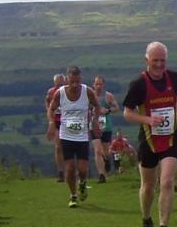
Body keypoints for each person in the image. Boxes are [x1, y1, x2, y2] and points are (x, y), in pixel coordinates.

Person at [122, 42, 177, 227]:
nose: (159, 65)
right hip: (148, 140)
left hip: (171, 137)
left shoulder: (174, 78)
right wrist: (148, 120)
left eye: (162, 60)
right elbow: (127, 112)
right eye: (155, 61)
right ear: (147, 61)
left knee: (167, 181)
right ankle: (146, 221)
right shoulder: (138, 84)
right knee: (148, 186)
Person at [46, 65, 101, 207]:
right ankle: (73, 195)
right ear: (67, 80)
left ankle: (82, 183)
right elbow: (51, 109)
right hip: (66, 135)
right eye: (72, 82)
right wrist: (52, 123)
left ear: (80, 79)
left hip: (82, 136)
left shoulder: (87, 91)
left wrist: (95, 121)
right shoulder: (60, 93)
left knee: (83, 169)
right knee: (70, 168)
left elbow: (97, 106)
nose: (75, 85)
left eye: (78, 81)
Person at [92, 75, 120, 182]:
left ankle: (107, 161)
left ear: (103, 85)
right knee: (97, 150)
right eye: (96, 84)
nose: (98, 86)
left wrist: (107, 110)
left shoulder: (108, 96)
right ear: (93, 85)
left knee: (105, 151)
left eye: (100, 84)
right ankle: (101, 175)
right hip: (94, 126)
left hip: (106, 126)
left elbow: (116, 108)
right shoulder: (90, 95)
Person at [45, 73, 65, 181]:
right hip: (57, 121)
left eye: (62, 83)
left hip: (68, 121)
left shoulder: (69, 91)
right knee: (58, 147)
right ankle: (61, 172)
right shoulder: (51, 92)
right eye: (58, 83)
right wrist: (50, 120)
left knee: (69, 146)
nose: (60, 85)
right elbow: (47, 104)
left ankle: (71, 170)